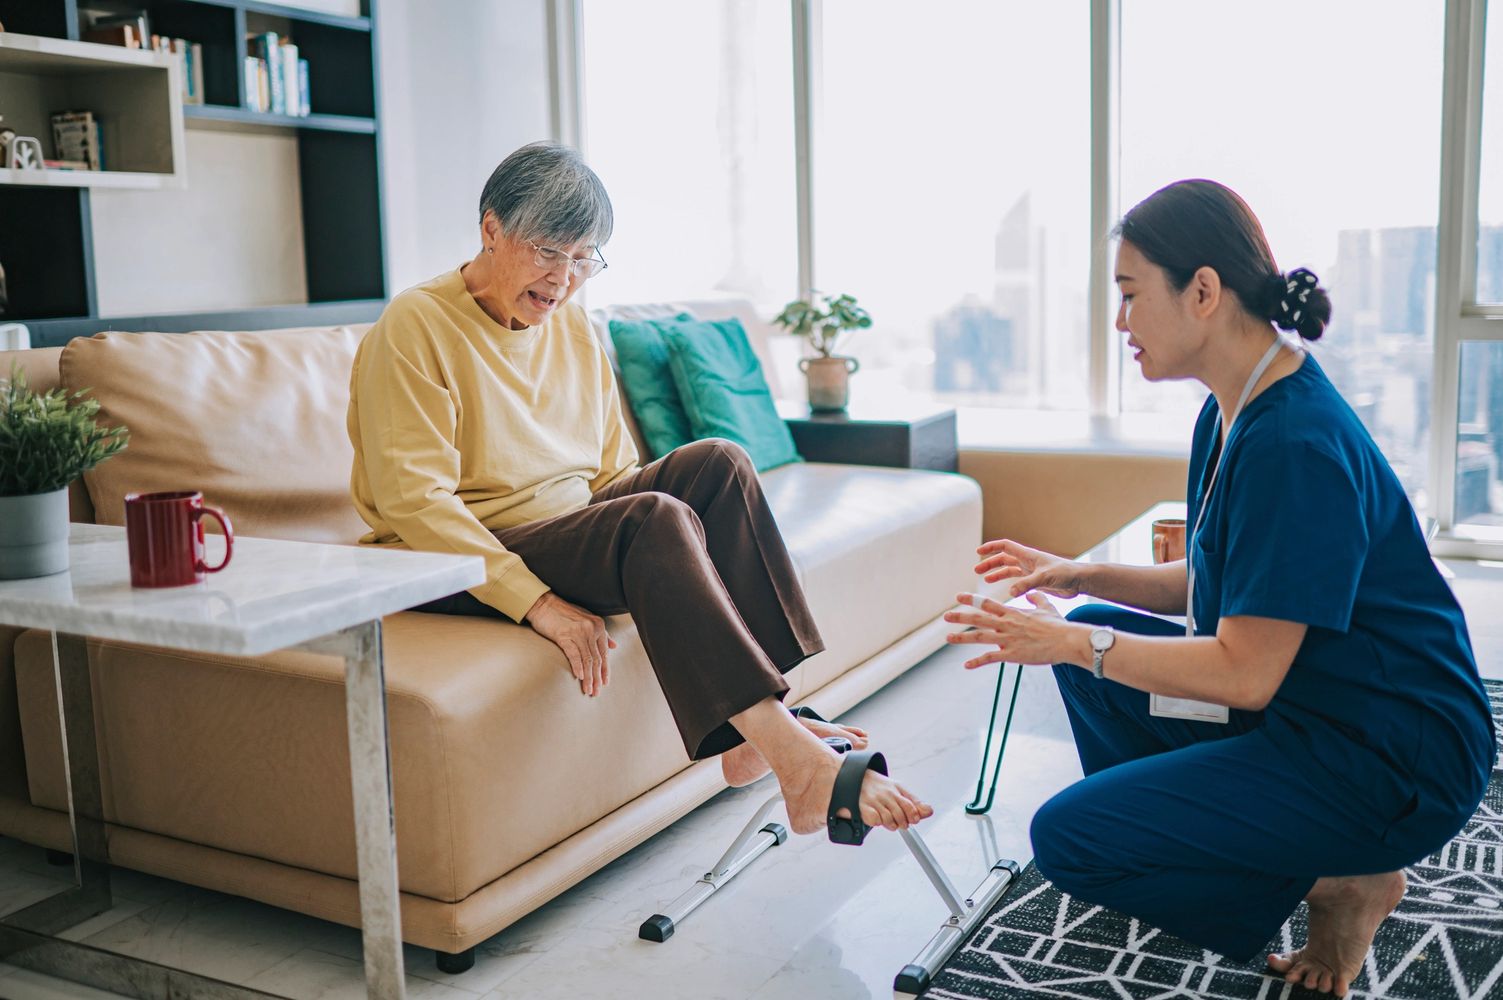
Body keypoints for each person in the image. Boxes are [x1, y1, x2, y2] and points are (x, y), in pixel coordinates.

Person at [945, 179, 1495, 997]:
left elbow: (1244, 672)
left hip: (1391, 758)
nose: (1121, 322)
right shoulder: (1231, 409)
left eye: (1130, 295)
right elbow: (1214, 582)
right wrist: (1074, 574)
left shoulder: (1292, 444)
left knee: (1070, 838)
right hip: (1318, 710)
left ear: (1201, 291)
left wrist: (1070, 640)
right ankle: (1236, 844)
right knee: (1095, 631)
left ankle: (1341, 881)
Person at [347, 141, 930, 842]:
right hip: (453, 555)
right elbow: (415, 502)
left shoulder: (572, 328)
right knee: (651, 519)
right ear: (491, 229)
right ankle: (794, 758)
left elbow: (604, 476)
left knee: (718, 462)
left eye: (583, 256)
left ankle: (761, 734)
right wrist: (538, 604)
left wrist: (645, 527)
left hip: (561, 531)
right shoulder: (414, 325)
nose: (563, 278)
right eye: (547, 251)